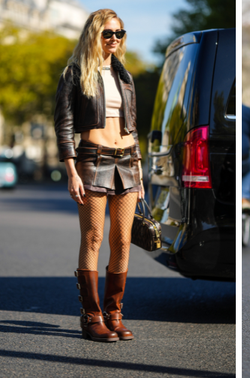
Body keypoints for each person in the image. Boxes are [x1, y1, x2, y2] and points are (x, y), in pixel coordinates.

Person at [55, 9, 142, 342]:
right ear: (94, 34)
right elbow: (63, 126)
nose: (115, 40)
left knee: (122, 239)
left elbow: (132, 124)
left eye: (119, 34)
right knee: (92, 237)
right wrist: (71, 170)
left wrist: (140, 169)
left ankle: (114, 313)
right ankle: (92, 318)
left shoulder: (125, 76)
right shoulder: (75, 73)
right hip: (93, 159)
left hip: (128, 160)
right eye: (108, 33)